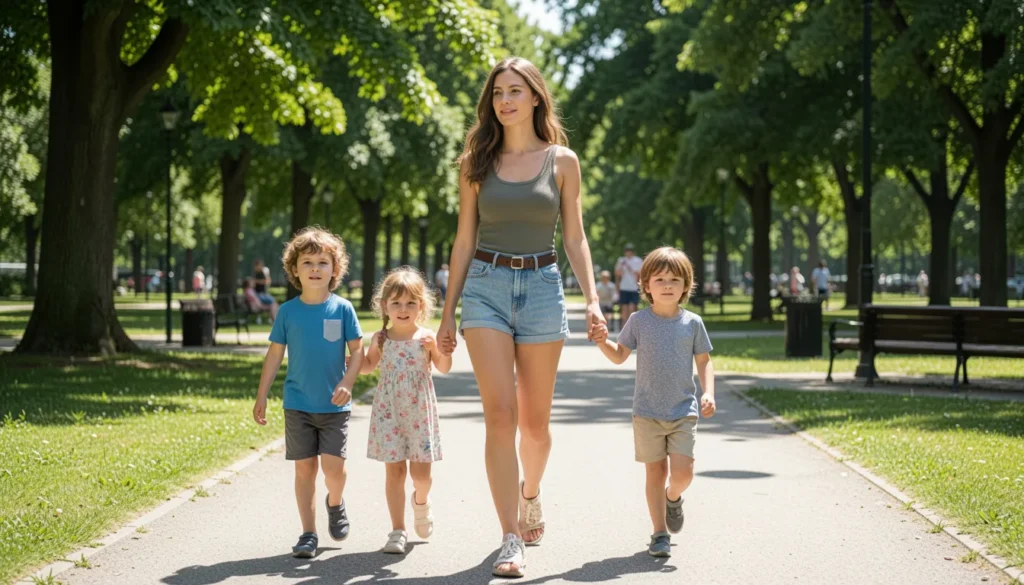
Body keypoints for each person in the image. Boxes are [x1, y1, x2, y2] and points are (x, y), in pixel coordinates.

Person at [435, 56, 606, 578]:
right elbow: (464, 241)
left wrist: (593, 299)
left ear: (535, 97)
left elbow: (574, 236)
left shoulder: (562, 161)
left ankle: (531, 493)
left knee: (535, 427)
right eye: (497, 93)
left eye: (515, 90)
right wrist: (447, 314)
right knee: (500, 417)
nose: (504, 100)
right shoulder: (475, 162)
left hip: (542, 286)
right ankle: (510, 536)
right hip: (485, 286)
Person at [591, 246, 715, 558]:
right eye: (660, 279)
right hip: (646, 412)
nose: (667, 285)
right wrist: (601, 341)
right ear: (646, 285)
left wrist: (708, 392)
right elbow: (619, 356)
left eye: (675, 279)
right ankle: (659, 533)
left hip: (682, 410)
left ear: (686, 285)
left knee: (683, 473)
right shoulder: (638, 321)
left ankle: (673, 497)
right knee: (654, 473)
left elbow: (704, 361)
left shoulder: (692, 323)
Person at [252, 227, 364, 559]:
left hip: (334, 404)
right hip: (297, 403)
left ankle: (335, 501)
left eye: (323, 262)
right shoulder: (288, 312)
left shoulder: (342, 309)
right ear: (295, 270)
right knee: (304, 470)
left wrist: (348, 382)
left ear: (335, 269)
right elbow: (274, 355)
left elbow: (357, 351)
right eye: (307, 262)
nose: (315, 268)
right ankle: (308, 534)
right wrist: (262, 395)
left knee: (334, 469)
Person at [360, 267, 452, 555]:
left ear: (421, 307)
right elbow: (366, 368)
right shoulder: (382, 339)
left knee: (421, 476)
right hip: (389, 413)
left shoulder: (425, 337)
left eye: (410, 303)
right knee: (395, 472)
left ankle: (421, 502)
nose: (403, 309)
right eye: (396, 303)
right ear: (384, 305)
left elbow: (444, 367)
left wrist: (439, 349)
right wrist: (360, 350)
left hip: (419, 414)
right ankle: (397, 529)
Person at [615, 243, 644, 324]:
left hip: (634, 287)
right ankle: (624, 327)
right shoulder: (621, 260)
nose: (628, 252)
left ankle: (633, 326)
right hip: (624, 287)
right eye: (627, 250)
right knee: (624, 309)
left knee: (632, 308)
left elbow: (640, 274)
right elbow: (617, 274)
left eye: (630, 250)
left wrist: (630, 268)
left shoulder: (638, 260)